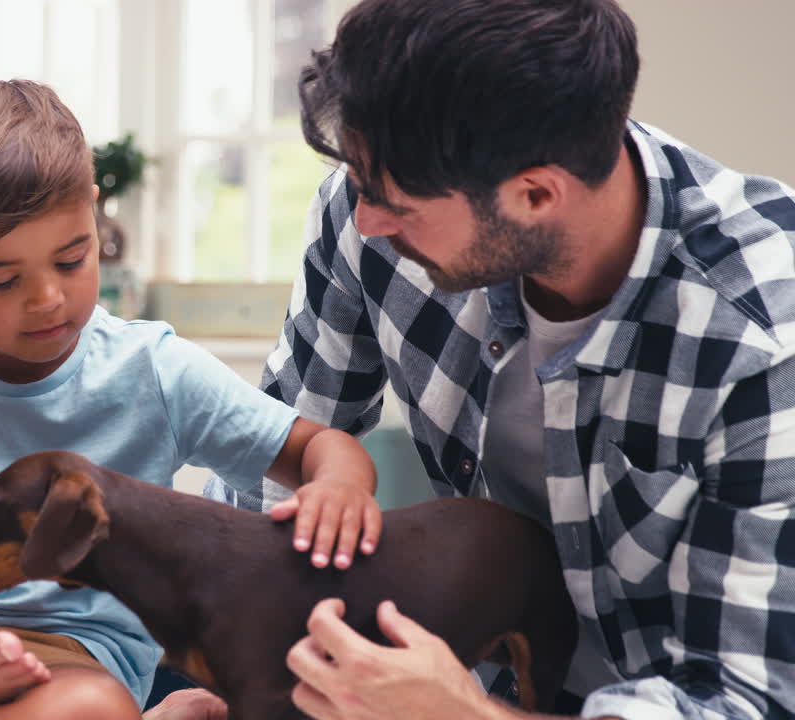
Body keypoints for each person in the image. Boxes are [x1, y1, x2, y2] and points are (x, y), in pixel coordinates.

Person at [200, 0, 795, 717]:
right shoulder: (371, 217)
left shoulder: (762, 342)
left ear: (536, 194)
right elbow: (271, 461)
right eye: (360, 185)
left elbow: (744, 701)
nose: (365, 220)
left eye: (395, 203)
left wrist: (464, 714)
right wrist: (215, 682)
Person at [0, 78, 382, 720]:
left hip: (67, 659)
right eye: (2, 280)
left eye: (73, 260)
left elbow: (321, 447)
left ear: (95, 217)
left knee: (88, 708)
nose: (47, 298)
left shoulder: (154, 369)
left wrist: (341, 488)